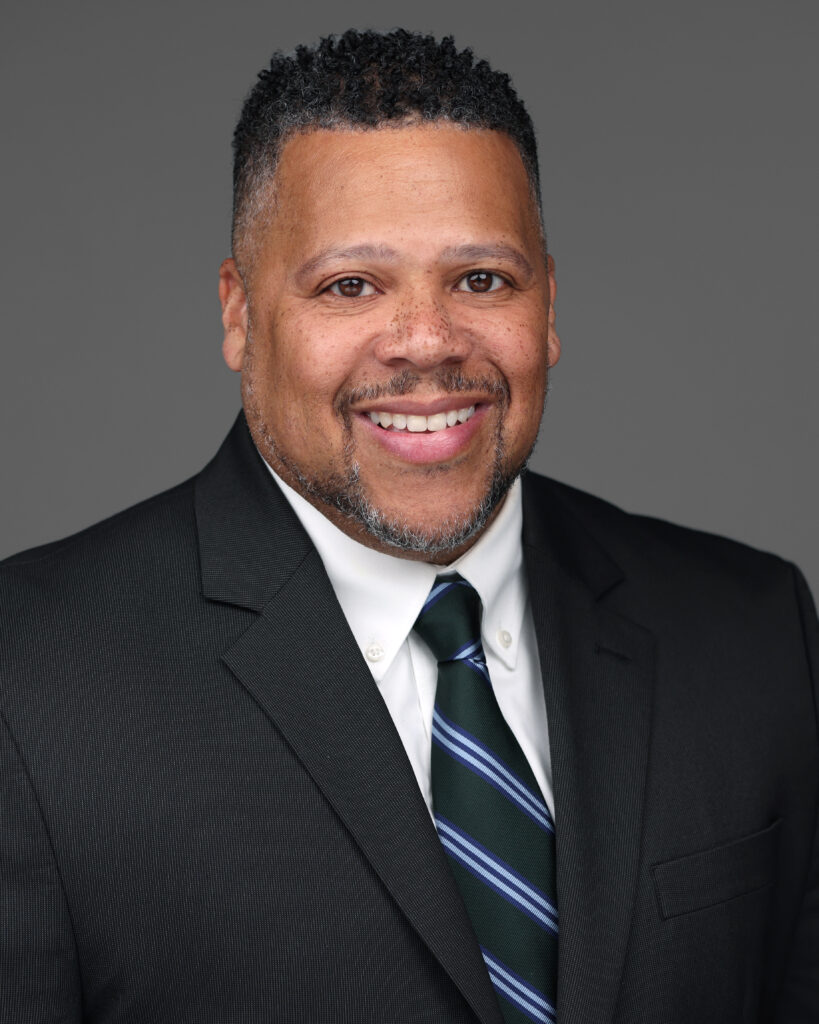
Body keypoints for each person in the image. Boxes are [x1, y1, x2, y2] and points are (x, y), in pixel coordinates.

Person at [1, 28, 817, 1024]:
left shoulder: (753, 631)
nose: (427, 341)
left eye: (482, 279)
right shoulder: (29, 680)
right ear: (239, 314)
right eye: (352, 286)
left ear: (548, 305)